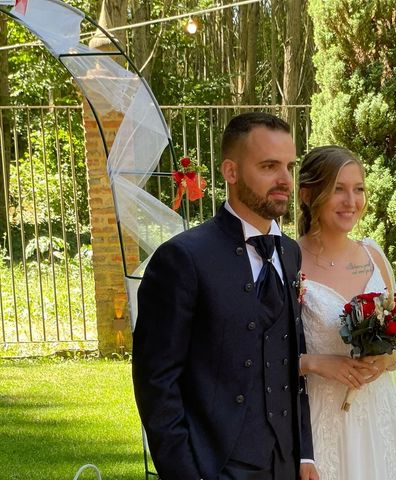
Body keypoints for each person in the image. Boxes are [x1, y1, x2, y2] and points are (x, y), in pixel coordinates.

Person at [132, 112, 319, 480]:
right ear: (230, 172)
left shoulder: (290, 253)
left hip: (284, 464)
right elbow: (156, 381)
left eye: (289, 166)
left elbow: (289, 363)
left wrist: (304, 454)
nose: (284, 180)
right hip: (215, 465)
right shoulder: (184, 258)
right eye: (269, 166)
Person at [297, 145, 396, 480]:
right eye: (338, 189)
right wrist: (316, 363)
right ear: (308, 195)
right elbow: (270, 357)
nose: (351, 201)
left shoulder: (374, 257)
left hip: (378, 416)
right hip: (323, 420)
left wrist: (382, 361)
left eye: (359, 189)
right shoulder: (289, 262)